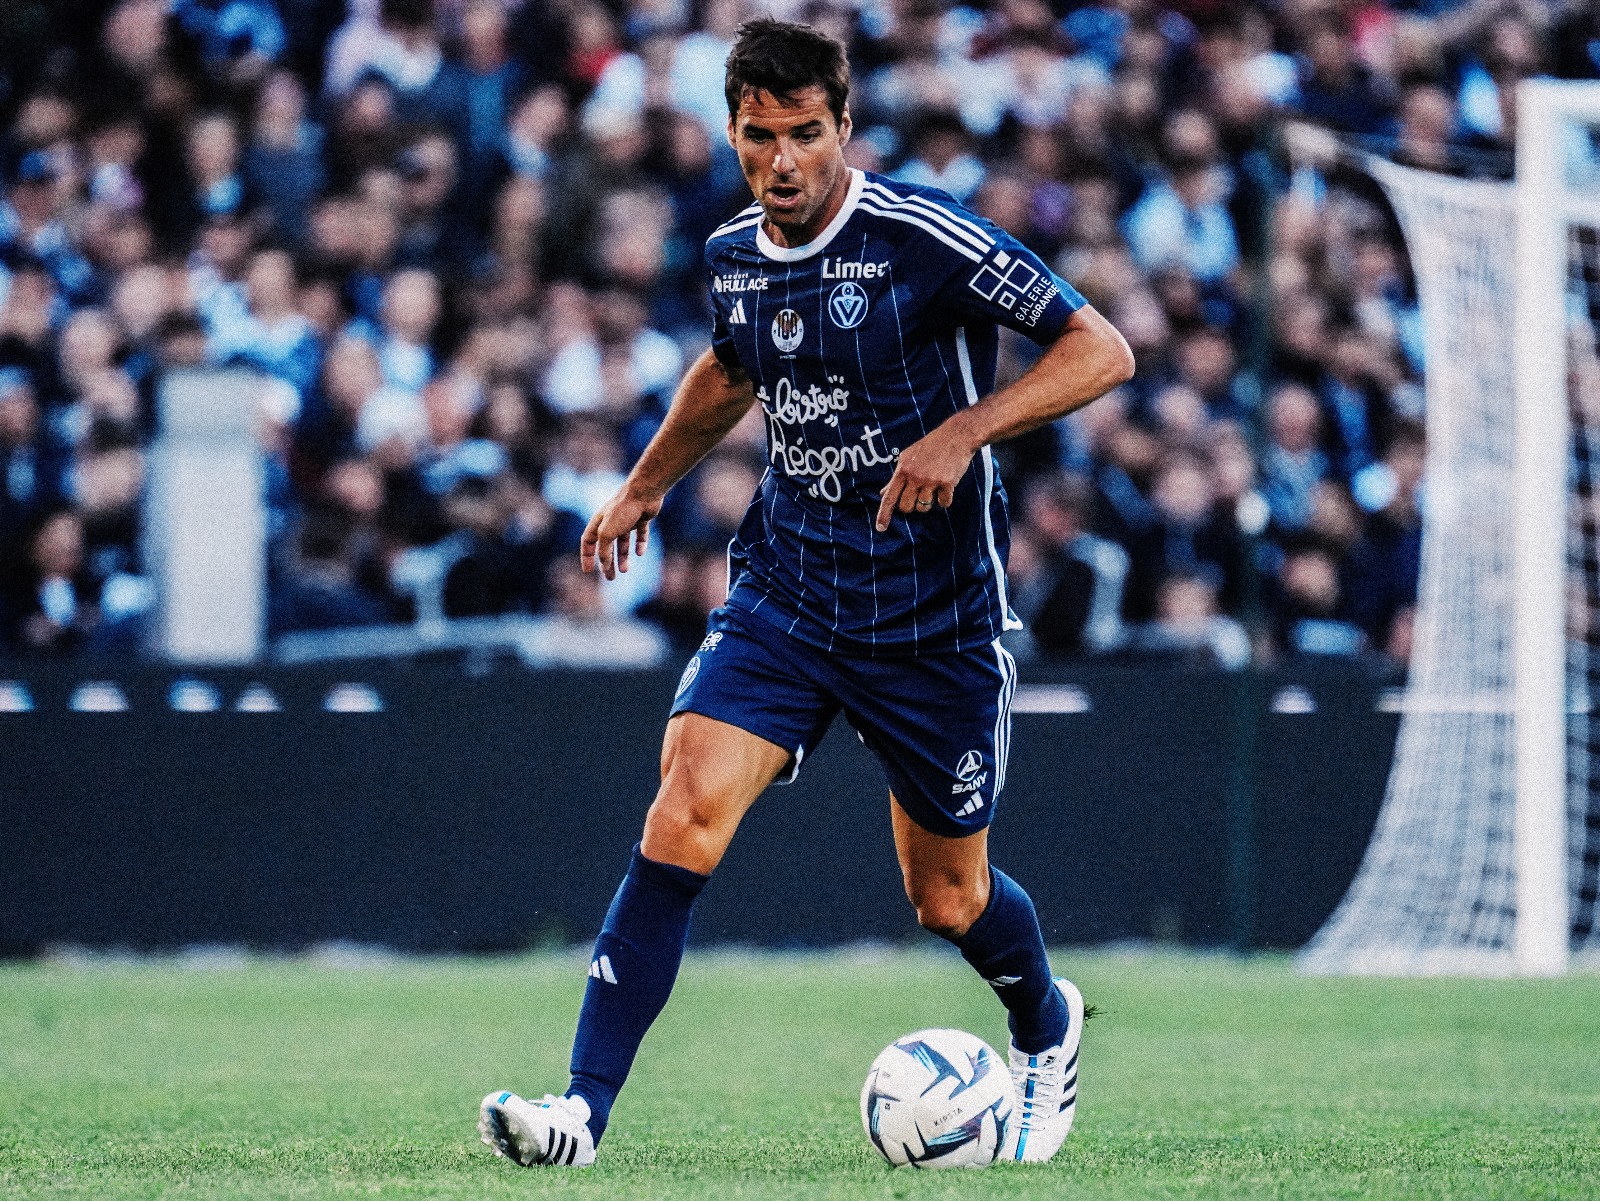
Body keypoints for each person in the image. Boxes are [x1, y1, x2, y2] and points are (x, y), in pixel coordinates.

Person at [479, 18, 1133, 1170]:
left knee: (947, 899)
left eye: (804, 134)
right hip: (788, 592)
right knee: (683, 808)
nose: (781, 161)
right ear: (732, 131)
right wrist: (644, 485)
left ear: (844, 128)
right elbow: (730, 366)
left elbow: (1100, 350)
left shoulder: (921, 236)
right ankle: (581, 1111)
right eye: (758, 136)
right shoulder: (734, 251)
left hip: (931, 620)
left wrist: (964, 433)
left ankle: (1045, 1018)